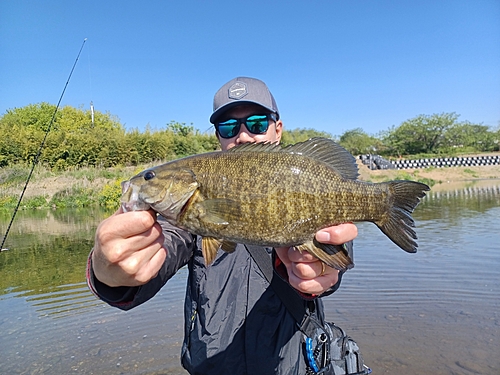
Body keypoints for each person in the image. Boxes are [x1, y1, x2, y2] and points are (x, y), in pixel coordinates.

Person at [87, 77, 358, 374]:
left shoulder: (308, 184)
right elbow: (164, 246)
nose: (242, 136)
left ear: (277, 129)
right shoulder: (187, 218)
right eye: (228, 128)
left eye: (256, 124)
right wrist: (109, 270)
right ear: (218, 137)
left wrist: (317, 275)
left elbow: (331, 259)